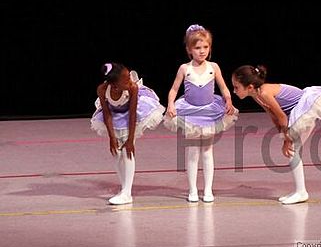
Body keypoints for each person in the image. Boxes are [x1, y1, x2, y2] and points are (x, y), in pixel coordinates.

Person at [231, 65, 321, 204]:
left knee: (292, 151)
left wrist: (287, 140)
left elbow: (282, 117)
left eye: (236, 87)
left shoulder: (264, 93)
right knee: (293, 151)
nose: (234, 91)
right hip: (293, 115)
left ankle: (301, 192)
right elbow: (274, 117)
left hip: (304, 111)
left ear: (249, 87)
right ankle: (299, 191)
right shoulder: (257, 95)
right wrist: (283, 136)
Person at [164, 24, 237, 203]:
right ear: (189, 50)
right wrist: (170, 105)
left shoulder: (214, 67)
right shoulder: (184, 68)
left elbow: (224, 88)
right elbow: (174, 89)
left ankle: (208, 189)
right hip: (190, 113)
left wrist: (228, 100)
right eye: (197, 48)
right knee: (192, 152)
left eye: (205, 47)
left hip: (210, 112)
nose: (202, 51)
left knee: (207, 151)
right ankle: (192, 190)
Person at [91, 62, 165, 205]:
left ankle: (127, 193)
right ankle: (124, 188)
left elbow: (132, 114)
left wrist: (131, 140)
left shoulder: (132, 87)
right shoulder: (102, 89)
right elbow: (106, 113)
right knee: (116, 153)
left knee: (127, 152)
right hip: (114, 117)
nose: (130, 80)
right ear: (115, 85)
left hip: (129, 118)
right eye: (126, 79)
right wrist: (111, 138)